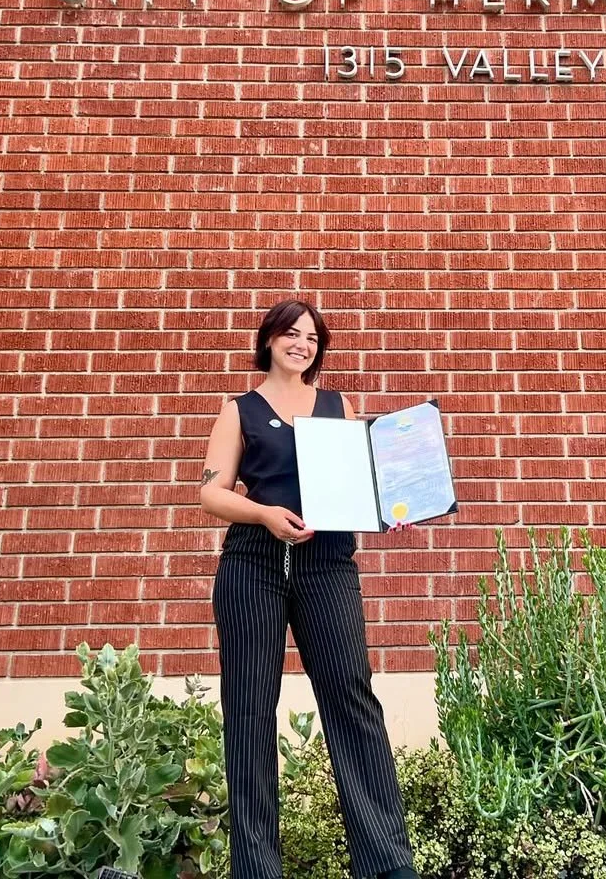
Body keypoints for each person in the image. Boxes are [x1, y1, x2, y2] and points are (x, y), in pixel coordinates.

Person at [200, 297, 419, 879]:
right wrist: (266, 514)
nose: (302, 344)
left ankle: (387, 864)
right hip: (254, 565)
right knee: (248, 712)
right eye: (291, 334)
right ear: (269, 340)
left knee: (352, 701)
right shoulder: (239, 410)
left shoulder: (336, 405)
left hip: (327, 565)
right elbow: (212, 494)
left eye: (312, 338)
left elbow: (361, 478)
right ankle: (256, 869)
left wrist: (387, 507)